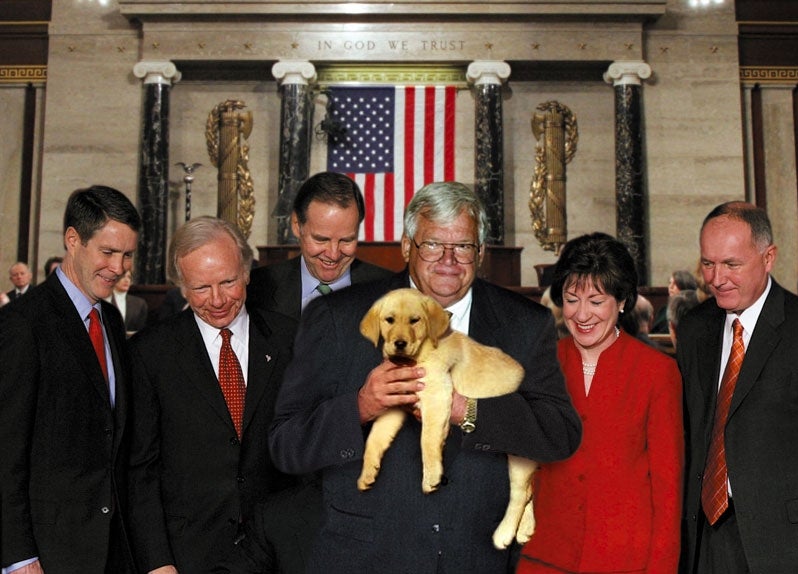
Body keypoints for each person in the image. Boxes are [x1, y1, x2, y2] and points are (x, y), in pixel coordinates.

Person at [268, 181, 582, 573]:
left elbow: (559, 433)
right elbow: (286, 444)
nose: (448, 260)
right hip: (365, 558)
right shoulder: (338, 318)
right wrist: (360, 407)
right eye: (433, 244)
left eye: (463, 246)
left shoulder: (526, 324)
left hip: (478, 557)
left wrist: (468, 411)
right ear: (406, 247)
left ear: (480, 251)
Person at [677, 201, 798, 573]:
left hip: (795, 548)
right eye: (708, 263)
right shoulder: (694, 330)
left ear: (768, 257)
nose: (716, 277)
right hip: (706, 542)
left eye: (731, 264)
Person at [127, 216, 303, 574]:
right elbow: (139, 470)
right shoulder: (151, 353)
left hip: (278, 553)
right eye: (201, 288)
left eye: (228, 281)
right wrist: (157, 561)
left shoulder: (291, 341)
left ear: (247, 273)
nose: (218, 300)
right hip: (187, 555)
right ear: (180, 286)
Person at [517, 232, 683, 574]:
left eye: (596, 300)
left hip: (624, 562)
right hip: (543, 559)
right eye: (571, 299)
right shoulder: (539, 364)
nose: (582, 314)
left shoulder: (657, 372)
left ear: (622, 301)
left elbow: (668, 492)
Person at [0, 185, 141, 574]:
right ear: (73, 240)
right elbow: (5, 451)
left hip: (112, 550)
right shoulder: (22, 324)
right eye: (108, 252)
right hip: (48, 555)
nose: (119, 267)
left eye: (127, 255)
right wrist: (19, 558)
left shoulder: (110, 321)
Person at [247, 171, 392, 319]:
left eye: (346, 240)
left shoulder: (392, 292)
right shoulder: (254, 290)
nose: (334, 254)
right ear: (297, 226)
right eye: (321, 239)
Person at [651, 269, 698, 333]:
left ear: (685, 285)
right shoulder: (664, 310)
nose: (670, 287)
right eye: (670, 283)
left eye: (675, 284)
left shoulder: (691, 309)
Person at [111, 269, 148, 335]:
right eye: (123, 276)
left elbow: (142, 330)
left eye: (129, 277)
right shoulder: (103, 300)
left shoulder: (139, 303)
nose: (126, 280)